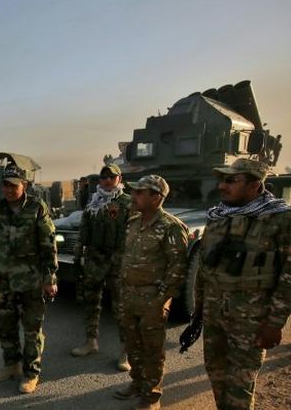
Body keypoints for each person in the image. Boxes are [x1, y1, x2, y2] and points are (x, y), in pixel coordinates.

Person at [196, 158, 291, 410]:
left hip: (251, 320)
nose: (222, 186)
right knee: (217, 376)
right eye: (221, 180)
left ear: (255, 185)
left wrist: (274, 323)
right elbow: (205, 267)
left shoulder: (281, 219)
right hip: (214, 315)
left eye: (231, 180)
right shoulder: (218, 216)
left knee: (239, 387)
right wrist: (199, 309)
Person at [0, 165, 58, 395]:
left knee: (32, 329)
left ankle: (31, 373)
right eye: (5, 185)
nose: (9, 189)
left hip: (31, 279)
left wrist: (49, 278)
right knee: (6, 325)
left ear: (25, 185)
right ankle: (11, 365)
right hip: (3, 279)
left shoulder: (36, 208)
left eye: (13, 185)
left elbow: (48, 245)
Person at [115, 175, 188, 410]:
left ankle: (151, 397)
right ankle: (137, 383)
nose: (133, 196)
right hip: (128, 295)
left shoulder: (172, 227)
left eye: (139, 192)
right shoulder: (133, 221)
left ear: (156, 197)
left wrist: (161, 300)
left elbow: (178, 268)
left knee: (152, 350)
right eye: (134, 192)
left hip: (152, 299)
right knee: (132, 344)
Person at [71, 164, 132, 372]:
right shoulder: (93, 202)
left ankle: (125, 352)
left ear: (119, 178)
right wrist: (79, 252)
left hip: (117, 259)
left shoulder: (127, 203)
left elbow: (133, 233)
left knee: (120, 307)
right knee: (91, 301)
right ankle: (91, 342)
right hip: (94, 258)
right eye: (103, 177)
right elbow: (85, 229)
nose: (107, 180)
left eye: (111, 177)